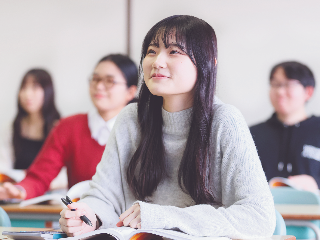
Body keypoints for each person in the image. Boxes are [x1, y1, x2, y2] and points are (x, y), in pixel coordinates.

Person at [59, 15, 275, 239]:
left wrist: (163, 217)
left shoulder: (225, 121)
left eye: (174, 51)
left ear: (207, 62)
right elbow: (103, 196)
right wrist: (89, 215)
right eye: (152, 51)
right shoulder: (130, 119)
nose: (157, 62)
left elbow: (258, 218)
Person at [0, 54, 138, 200]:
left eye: (110, 81)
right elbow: (39, 176)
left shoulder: (142, 130)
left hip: (129, 221)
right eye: (95, 79)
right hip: (80, 219)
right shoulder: (68, 127)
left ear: (130, 91)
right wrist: (19, 190)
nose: (99, 86)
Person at [250, 61, 319, 192]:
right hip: (264, 211)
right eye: (275, 84)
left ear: (308, 92)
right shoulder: (252, 134)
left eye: (288, 85)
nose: (280, 91)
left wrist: (315, 183)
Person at [0, 69, 61, 179]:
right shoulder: (11, 128)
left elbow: (63, 175)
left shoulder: (59, 128)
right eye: (24, 87)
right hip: (16, 189)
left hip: (49, 190)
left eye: (35, 87)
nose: (27, 94)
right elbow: (3, 167)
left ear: (48, 91)